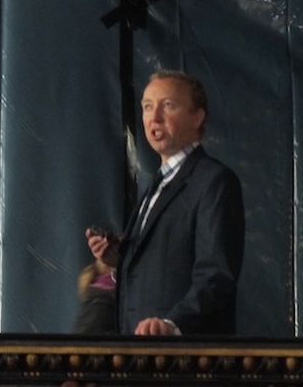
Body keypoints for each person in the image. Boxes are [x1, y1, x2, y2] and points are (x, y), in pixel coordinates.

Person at [85, 69, 245, 335]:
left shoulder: (214, 181)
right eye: (147, 107)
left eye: (167, 105)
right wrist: (119, 261)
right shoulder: (156, 187)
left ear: (198, 117)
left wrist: (173, 324)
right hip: (140, 357)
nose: (154, 117)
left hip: (183, 360)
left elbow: (216, 275)